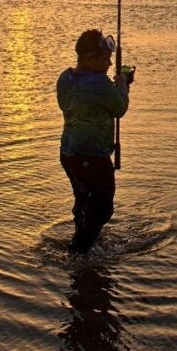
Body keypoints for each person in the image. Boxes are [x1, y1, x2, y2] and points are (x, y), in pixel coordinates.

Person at [56, 29, 130, 254]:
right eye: (104, 59)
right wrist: (123, 89)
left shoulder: (65, 77)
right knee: (102, 207)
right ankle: (78, 252)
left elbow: (65, 105)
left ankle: (81, 239)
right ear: (89, 58)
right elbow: (119, 108)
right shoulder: (99, 83)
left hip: (68, 155)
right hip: (93, 157)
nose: (109, 64)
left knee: (83, 199)